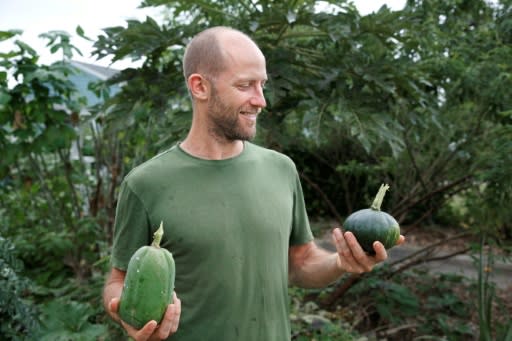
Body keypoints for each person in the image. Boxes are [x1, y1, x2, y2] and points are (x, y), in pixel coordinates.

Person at [103, 26, 405, 341]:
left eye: (262, 85)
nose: (260, 100)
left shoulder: (281, 169)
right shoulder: (146, 183)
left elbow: (300, 263)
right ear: (200, 87)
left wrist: (340, 262)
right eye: (246, 85)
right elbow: (118, 281)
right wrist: (129, 316)